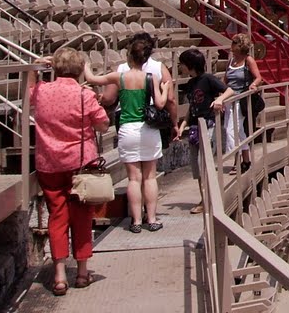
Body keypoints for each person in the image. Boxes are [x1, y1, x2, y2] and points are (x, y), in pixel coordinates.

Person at [27, 48, 110, 296]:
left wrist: (33, 69)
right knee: (82, 216)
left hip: (49, 162)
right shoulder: (84, 94)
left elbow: (27, 95)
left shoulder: (42, 90)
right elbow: (103, 124)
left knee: (57, 216)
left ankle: (60, 275)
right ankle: (82, 272)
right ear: (79, 68)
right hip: (80, 163)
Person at [84, 44, 170, 234]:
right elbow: (160, 103)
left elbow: (91, 79)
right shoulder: (151, 77)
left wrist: (86, 65)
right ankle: (153, 219)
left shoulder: (119, 76)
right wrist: (165, 88)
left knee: (133, 178)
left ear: (129, 57)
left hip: (128, 129)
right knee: (149, 177)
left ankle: (136, 220)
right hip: (148, 129)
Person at [176, 48, 235, 214]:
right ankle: (205, 198)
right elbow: (192, 107)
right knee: (197, 166)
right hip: (194, 127)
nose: (180, 67)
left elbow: (229, 90)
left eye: (182, 64)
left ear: (190, 65)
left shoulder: (207, 79)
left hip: (207, 125)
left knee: (204, 163)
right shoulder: (190, 84)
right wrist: (183, 125)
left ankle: (207, 201)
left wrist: (219, 100)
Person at [224, 34, 265, 172]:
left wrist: (253, 85)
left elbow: (258, 77)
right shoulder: (230, 61)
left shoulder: (248, 60)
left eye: (233, 43)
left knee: (232, 130)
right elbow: (226, 80)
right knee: (237, 130)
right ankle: (245, 160)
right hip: (229, 99)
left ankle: (237, 159)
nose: (231, 46)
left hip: (241, 100)